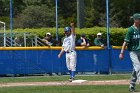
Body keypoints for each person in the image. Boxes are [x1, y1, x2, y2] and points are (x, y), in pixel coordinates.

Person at [119, 13, 140, 92]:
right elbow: (125, 42)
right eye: (139, 18)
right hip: (133, 52)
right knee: (138, 67)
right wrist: (121, 53)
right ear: (135, 20)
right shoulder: (130, 30)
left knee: (135, 69)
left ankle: (131, 86)